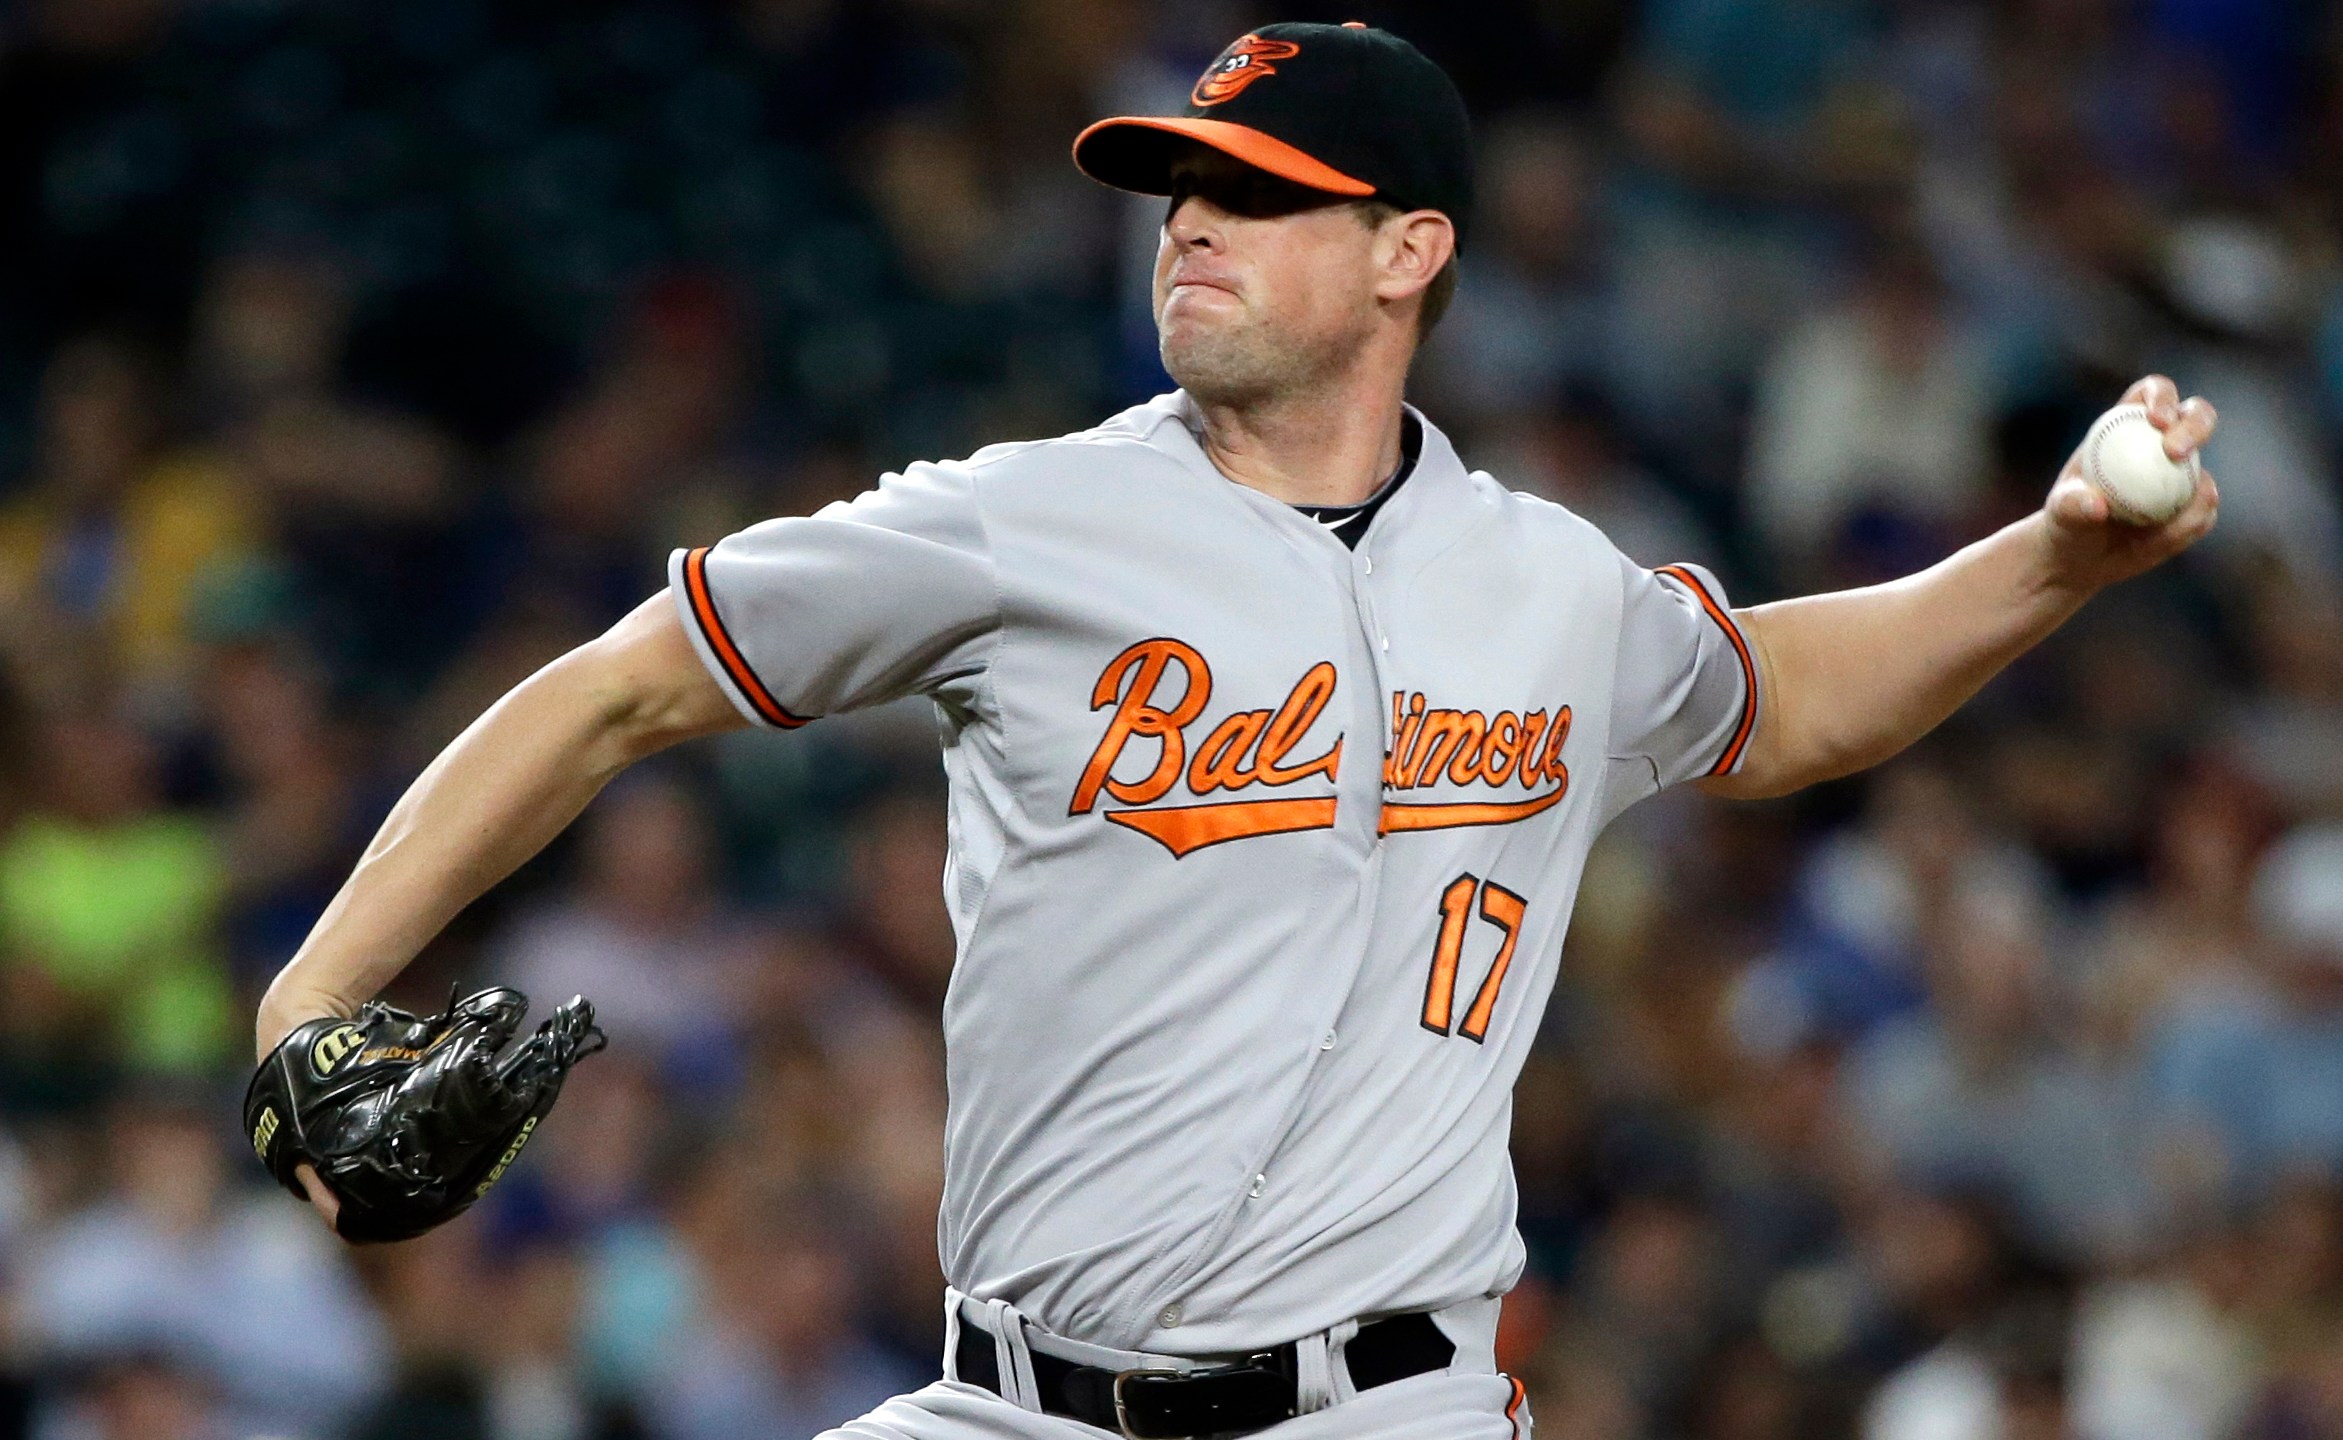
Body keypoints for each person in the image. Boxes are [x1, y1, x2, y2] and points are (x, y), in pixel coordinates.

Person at [254, 23, 2219, 1440]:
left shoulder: (1544, 583)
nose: (1188, 225)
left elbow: (1779, 698)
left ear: (1406, 251)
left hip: (1391, 1406)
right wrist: (308, 1000)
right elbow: (613, 688)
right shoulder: (1016, 520)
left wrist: (2047, 560)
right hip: (1010, 1403)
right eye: (1180, 188)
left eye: (1258, 199)